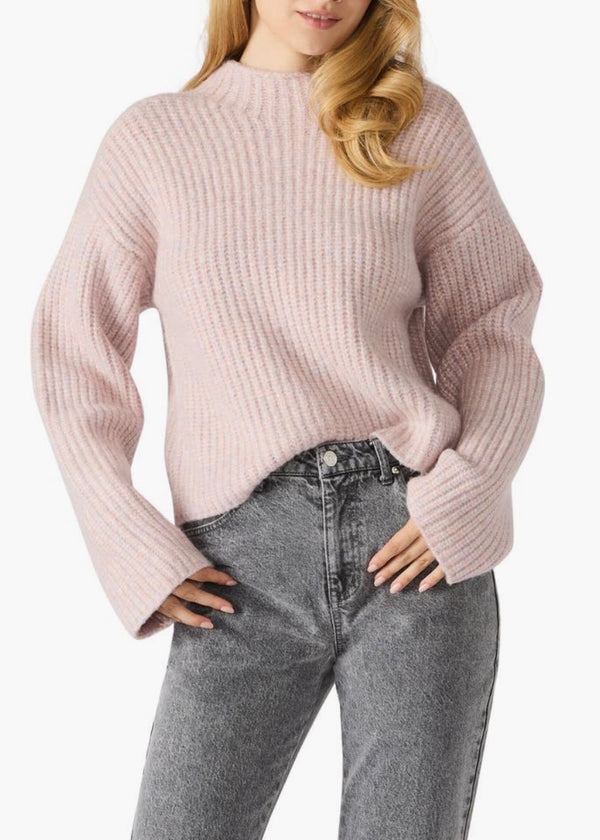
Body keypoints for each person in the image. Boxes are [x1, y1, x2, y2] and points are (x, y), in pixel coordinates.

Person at [30, 0, 545, 837]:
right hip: (237, 566)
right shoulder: (155, 141)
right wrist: (128, 538)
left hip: (412, 543)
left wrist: (472, 483)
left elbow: (493, 323)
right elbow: (73, 352)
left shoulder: (418, 122)